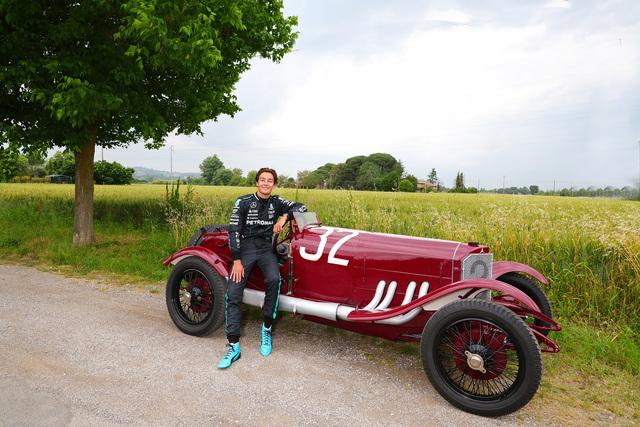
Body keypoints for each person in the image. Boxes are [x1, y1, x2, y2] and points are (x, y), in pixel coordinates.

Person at [218, 167, 306, 369]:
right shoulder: (243, 202)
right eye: (263, 180)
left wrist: (284, 217)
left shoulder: (277, 202)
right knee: (233, 291)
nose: (266, 183)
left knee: (274, 280)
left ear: (273, 184)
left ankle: (266, 329)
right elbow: (234, 231)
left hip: (266, 249)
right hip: (246, 249)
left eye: (270, 180)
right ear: (257, 182)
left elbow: (301, 207)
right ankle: (233, 345)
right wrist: (237, 260)